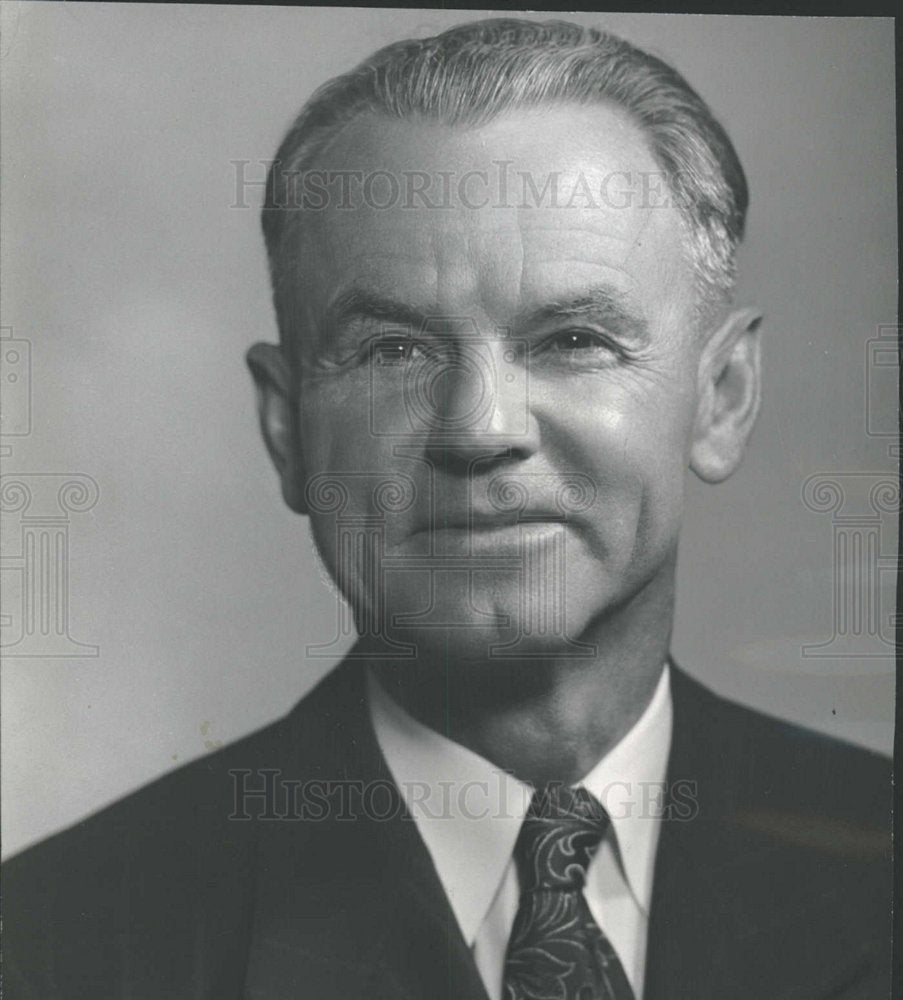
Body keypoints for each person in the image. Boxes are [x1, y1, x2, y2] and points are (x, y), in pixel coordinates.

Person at [4, 18, 890, 1000]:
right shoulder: (51, 948)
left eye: (573, 339)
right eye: (393, 350)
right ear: (288, 426)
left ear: (721, 397)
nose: (479, 428)